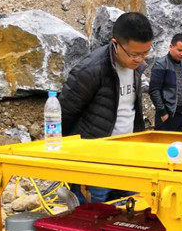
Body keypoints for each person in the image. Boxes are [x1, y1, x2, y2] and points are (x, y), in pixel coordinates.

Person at [59, 12, 153, 203]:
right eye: (134, 54)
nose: (140, 59)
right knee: (95, 213)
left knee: (130, 210)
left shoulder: (135, 67)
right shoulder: (90, 70)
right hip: (96, 161)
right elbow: (64, 114)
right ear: (115, 43)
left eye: (145, 53)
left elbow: (130, 112)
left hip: (128, 158)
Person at [149, 33, 182, 131]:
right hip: (167, 117)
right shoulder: (161, 64)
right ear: (171, 47)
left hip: (181, 116)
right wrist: (163, 113)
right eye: (179, 50)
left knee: (175, 145)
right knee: (162, 146)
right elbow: (154, 90)